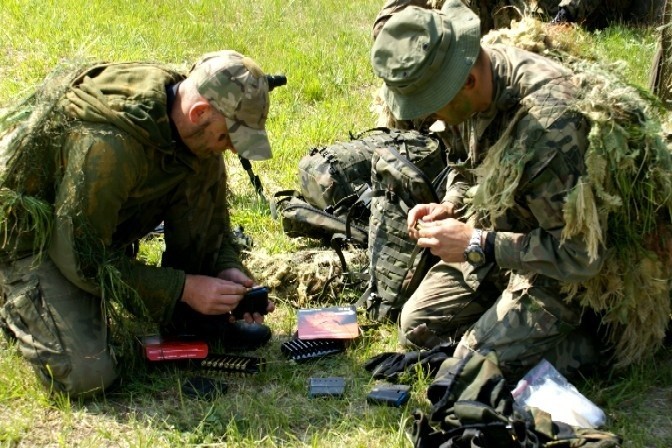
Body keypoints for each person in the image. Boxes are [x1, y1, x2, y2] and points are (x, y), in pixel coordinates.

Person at [0, 50, 278, 397]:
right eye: (228, 137)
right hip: (35, 240)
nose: (232, 150)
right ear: (199, 112)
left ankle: (191, 317)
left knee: (203, 160)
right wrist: (185, 289)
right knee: (87, 375)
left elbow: (212, 219)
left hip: (92, 224)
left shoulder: (189, 124)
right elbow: (81, 259)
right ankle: (12, 292)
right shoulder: (107, 146)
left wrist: (225, 269)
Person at [370, 0, 616, 379]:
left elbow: (582, 257)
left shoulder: (550, 130)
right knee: (418, 327)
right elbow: (463, 165)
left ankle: (595, 335)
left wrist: (477, 243)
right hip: (507, 241)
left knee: (469, 372)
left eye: (432, 108)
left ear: (466, 82)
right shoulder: (465, 87)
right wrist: (450, 204)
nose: (428, 117)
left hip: (569, 276)